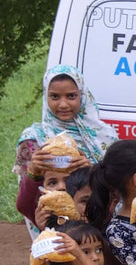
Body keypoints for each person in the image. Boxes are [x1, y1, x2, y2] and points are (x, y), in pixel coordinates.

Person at [14, 65, 117, 238]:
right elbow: (24, 202)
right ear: (46, 97)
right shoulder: (34, 139)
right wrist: (34, 170)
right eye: (55, 96)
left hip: (97, 231)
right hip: (53, 229)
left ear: (82, 95)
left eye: (71, 96)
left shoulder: (105, 136)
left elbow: (118, 190)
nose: (63, 104)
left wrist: (92, 171)